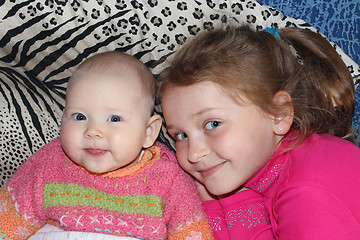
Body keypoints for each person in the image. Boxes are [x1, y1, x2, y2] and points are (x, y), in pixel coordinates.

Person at [160, 25, 360, 239]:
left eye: (213, 124)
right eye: (181, 135)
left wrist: (235, 204)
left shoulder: (307, 192)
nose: (193, 153)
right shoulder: (272, 166)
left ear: (278, 115)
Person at [0, 51, 214, 240]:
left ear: (148, 133)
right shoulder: (48, 165)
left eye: (114, 119)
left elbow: (192, 231)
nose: (93, 131)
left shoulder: (168, 179)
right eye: (80, 116)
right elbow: (8, 220)